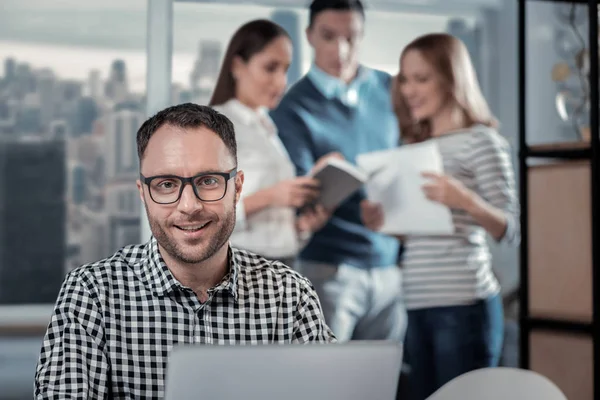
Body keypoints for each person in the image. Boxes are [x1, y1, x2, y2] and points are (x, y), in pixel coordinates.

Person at [34, 103, 336, 399]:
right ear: (143, 194)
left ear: (237, 187)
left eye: (208, 181)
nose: (189, 206)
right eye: (166, 184)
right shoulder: (91, 294)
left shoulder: (289, 293)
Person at [361, 33, 520, 400]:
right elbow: (420, 233)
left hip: (463, 306)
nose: (409, 90)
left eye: (422, 78)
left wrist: (464, 199)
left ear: (451, 80)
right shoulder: (411, 147)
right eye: (404, 79)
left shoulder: (482, 141)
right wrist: (384, 224)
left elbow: (511, 229)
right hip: (415, 304)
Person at [270, 0, 406, 343]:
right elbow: (298, 195)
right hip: (329, 269)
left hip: (390, 266)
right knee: (327, 382)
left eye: (352, 38)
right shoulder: (292, 107)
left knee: (383, 382)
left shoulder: (390, 90)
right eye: (329, 37)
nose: (341, 50)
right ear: (310, 35)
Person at [209, 19, 332, 266]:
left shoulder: (267, 127)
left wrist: (303, 227)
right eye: (270, 68)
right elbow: (205, 214)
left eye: (285, 70)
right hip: (240, 266)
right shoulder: (216, 125)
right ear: (237, 65)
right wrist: (271, 197)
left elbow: (272, 232)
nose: (281, 83)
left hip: (282, 263)